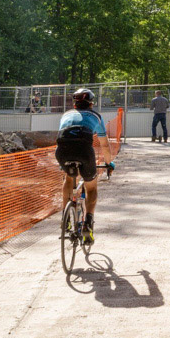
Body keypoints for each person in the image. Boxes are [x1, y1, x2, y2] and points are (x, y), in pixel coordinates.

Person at [55, 88, 112, 244]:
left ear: (75, 104)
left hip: (62, 151)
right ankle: (88, 223)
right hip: (84, 152)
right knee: (91, 187)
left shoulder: (65, 115)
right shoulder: (96, 117)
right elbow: (105, 146)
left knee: (68, 178)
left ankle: (65, 220)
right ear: (91, 104)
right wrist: (109, 163)